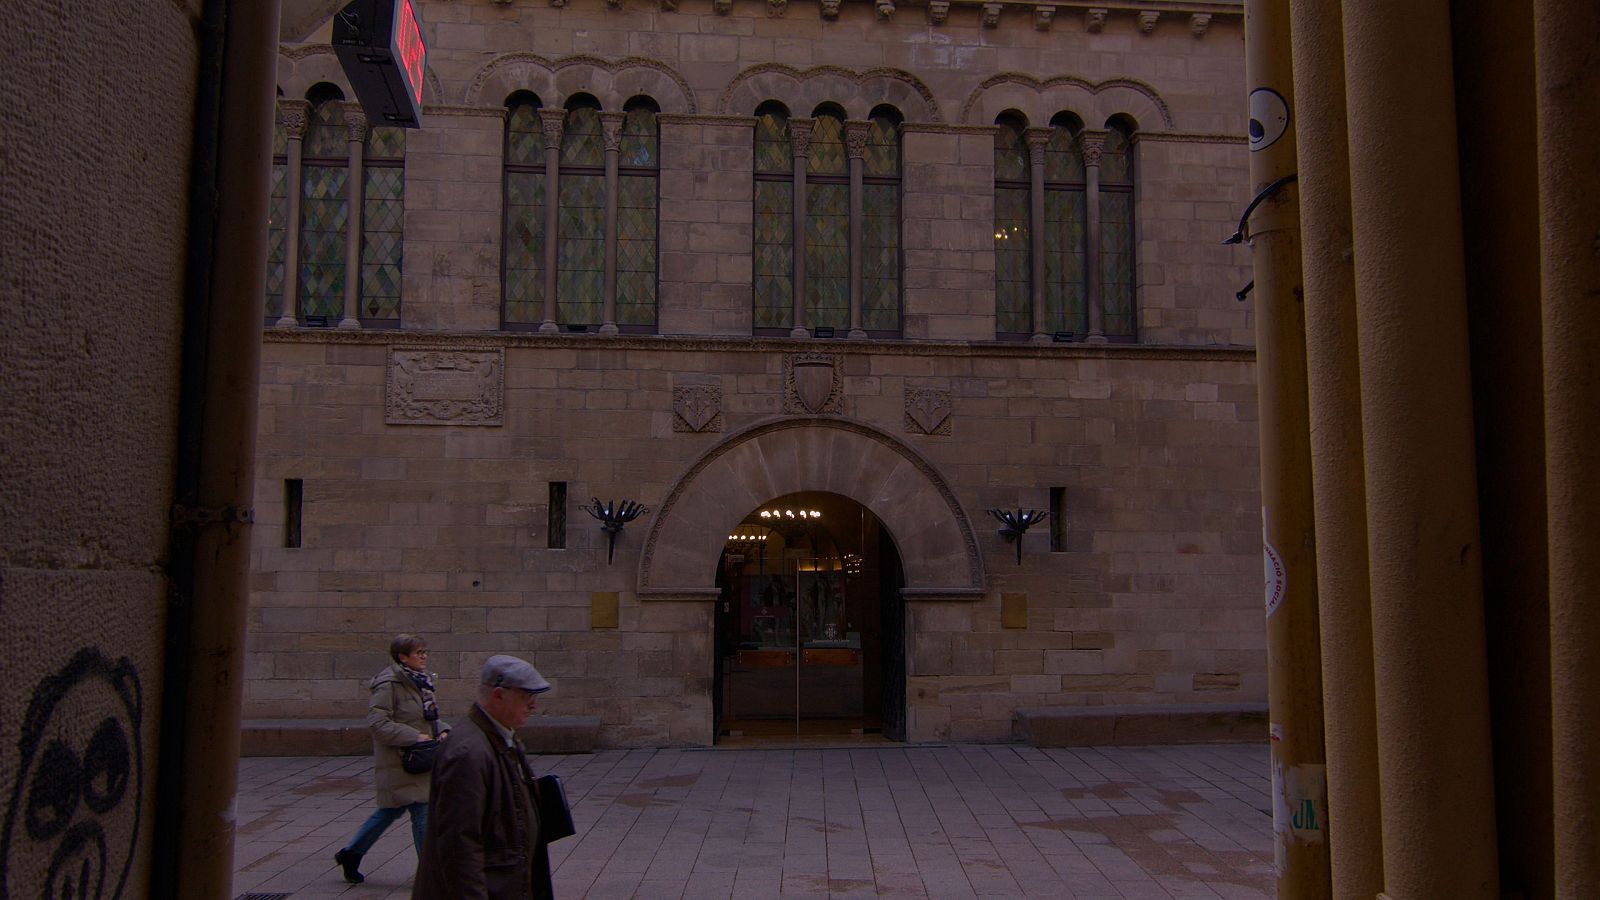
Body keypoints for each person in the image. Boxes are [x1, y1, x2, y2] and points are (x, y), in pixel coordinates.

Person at [412, 654, 555, 900]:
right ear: (499, 695)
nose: (533, 705)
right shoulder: (468, 753)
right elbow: (460, 847)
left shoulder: (500, 736)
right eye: (527, 696)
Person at [333, 634, 449, 884]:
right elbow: (378, 723)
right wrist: (414, 737)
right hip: (401, 760)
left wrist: (443, 729)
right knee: (422, 810)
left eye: (425, 652)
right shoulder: (389, 684)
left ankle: (351, 853)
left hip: (419, 757)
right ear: (402, 657)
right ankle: (430, 872)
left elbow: (425, 718)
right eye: (418, 653)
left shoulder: (420, 682)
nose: (424, 657)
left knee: (389, 811)